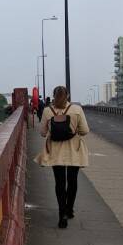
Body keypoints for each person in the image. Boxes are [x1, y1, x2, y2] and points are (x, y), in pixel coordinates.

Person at [35, 86, 90, 229]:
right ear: (68, 96)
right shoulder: (77, 109)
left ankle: (62, 216)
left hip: (55, 151)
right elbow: (85, 131)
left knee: (60, 183)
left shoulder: (48, 111)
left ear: (53, 96)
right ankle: (69, 210)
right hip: (74, 150)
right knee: (72, 181)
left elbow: (42, 133)